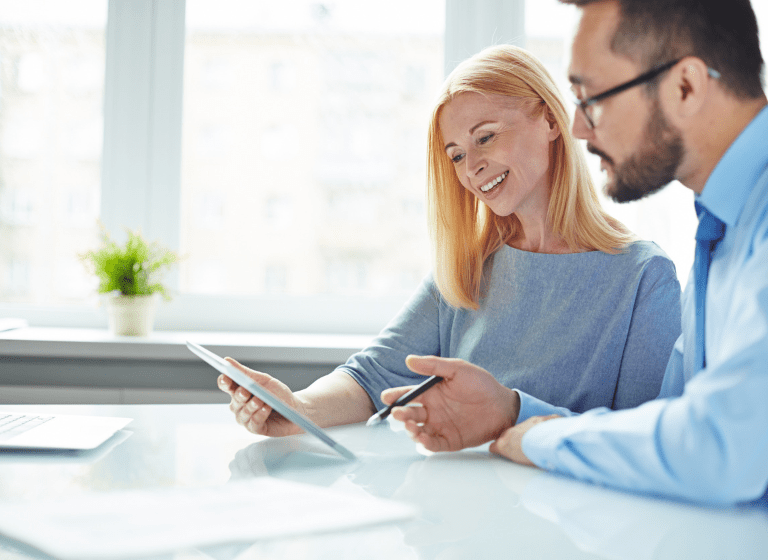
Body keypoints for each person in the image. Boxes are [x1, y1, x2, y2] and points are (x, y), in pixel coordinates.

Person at [388, 0, 768, 505]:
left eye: (594, 98)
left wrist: (537, 436)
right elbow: (661, 432)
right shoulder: (722, 234)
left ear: (686, 87)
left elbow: (719, 448)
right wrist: (511, 414)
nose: (580, 129)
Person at [218, 44, 680, 441]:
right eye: (456, 154)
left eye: (486, 137)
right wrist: (299, 410)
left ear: (550, 121)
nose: (471, 167)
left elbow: (641, 440)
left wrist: (513, 410)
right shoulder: (470, 267)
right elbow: (371, 376)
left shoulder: (643, 277)